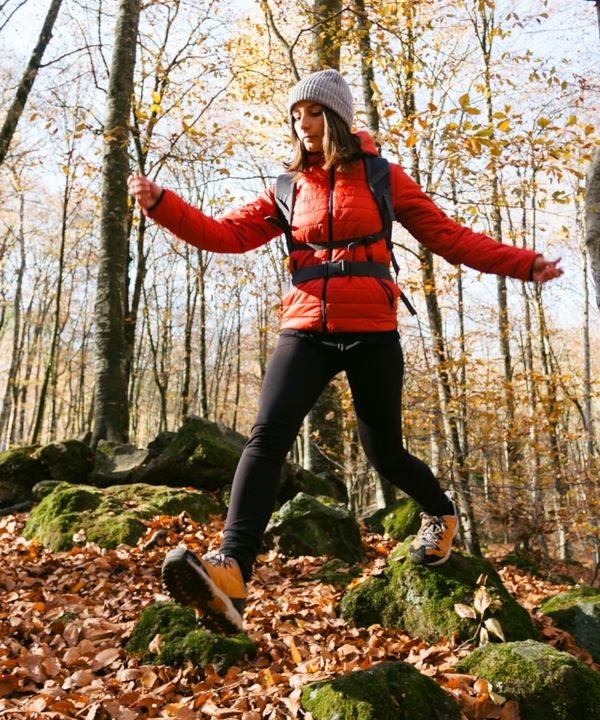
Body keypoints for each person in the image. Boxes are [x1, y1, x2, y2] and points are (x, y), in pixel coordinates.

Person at [128, 69, 562, 634]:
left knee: (384, 452)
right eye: (294, 115)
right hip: (305, 325)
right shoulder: (288, 189)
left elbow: (449, 237)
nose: (301, 124)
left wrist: (523, 263)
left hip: (371, 330)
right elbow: (225, 235)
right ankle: (232, 570)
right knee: (267, 436)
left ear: (335, 117)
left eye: (311, 113)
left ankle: (440, 513)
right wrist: (163, 204)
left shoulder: (383, 177)